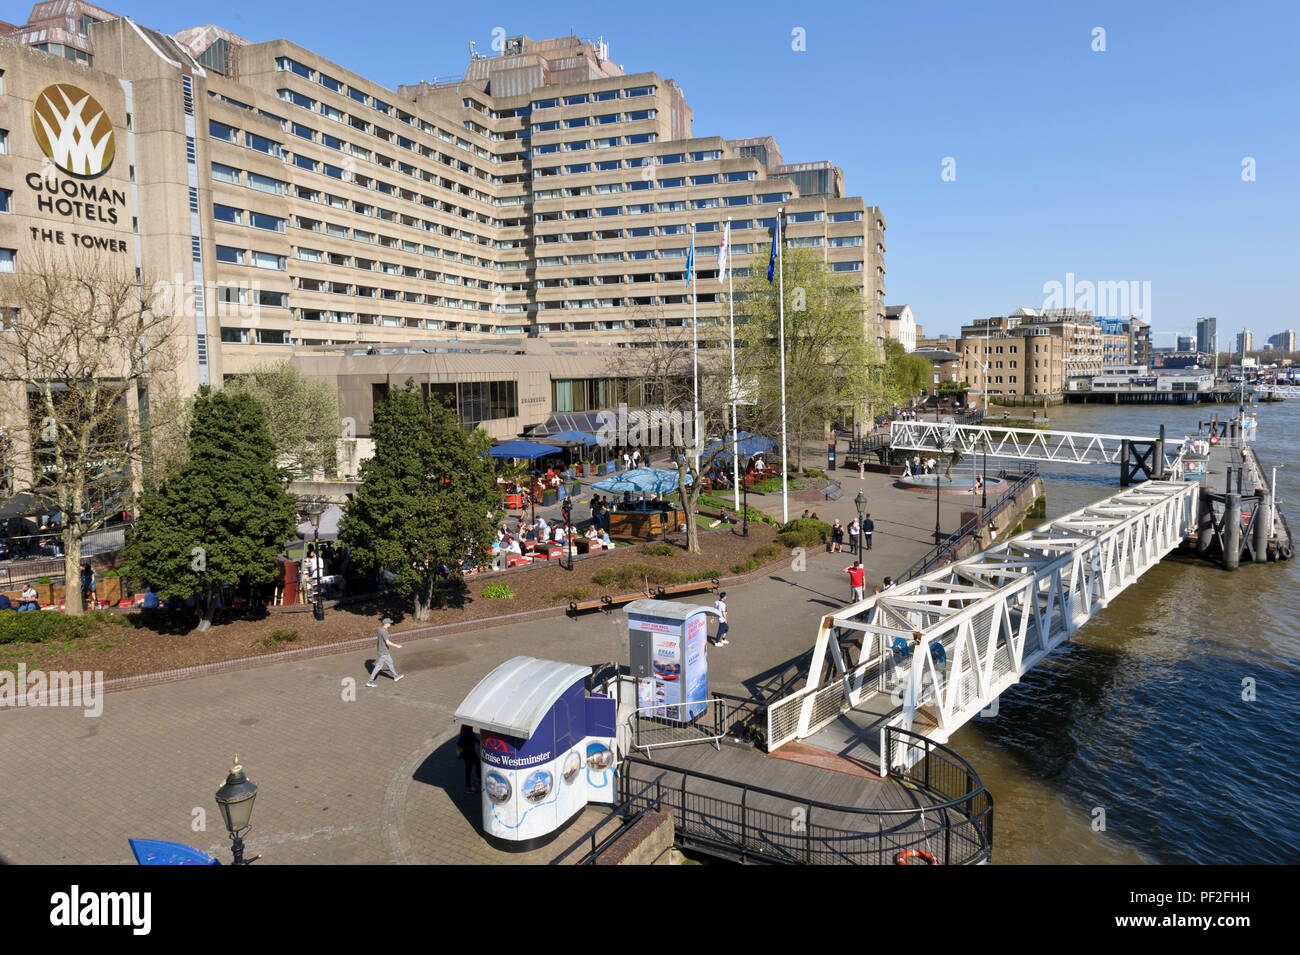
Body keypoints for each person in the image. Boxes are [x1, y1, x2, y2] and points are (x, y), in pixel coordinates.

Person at [366, 616, 405, 687]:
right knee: (378, 666)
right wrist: (397, 646)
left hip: (383, 651)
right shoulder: (384, 631)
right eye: (389, 623)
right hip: (383, 652)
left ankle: (396, 676)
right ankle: (370, 681)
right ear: (386, 623)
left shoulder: (381, 629)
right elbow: (387, 642)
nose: (390, 624)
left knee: (390, 663)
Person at [456, 724, 481, 793]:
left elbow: (474, 738)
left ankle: (479, 778)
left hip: (472, 752)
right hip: (467, 754)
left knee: (478, 764)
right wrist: (458, 754)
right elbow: (458, 746)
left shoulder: (469, 731)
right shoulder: (465, 734)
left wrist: (480, 743)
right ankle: (469, 787)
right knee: (469, 769)